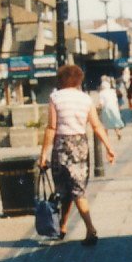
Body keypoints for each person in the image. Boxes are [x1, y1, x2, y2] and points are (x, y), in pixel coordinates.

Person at [38, 64, 116, 246]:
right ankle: (63, 227)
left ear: (61, 79)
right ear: (79, 80)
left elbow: (51, 127)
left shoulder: (55, 97)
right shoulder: (85, 99)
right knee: (75, 189)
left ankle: (91, 229)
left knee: (67, 190)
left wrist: (43, 154)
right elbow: (96, 125)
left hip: (61, 146)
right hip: (80, 146)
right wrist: (109, 147)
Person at [96, 76, 125, 141]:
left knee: (105, 124)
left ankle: (106, 137)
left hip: (106, 109)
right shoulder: (113, 91)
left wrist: (97, 108)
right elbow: (116, 101)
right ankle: (118, 133)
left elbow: (101, 103)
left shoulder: (101, 93)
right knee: (115, 122)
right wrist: (118, 108)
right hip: (114, 108)